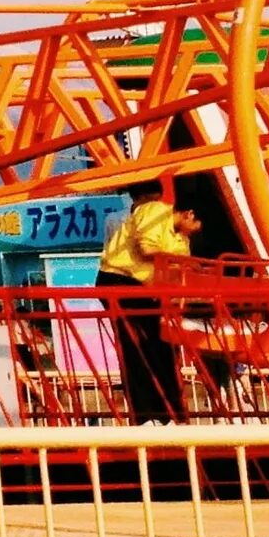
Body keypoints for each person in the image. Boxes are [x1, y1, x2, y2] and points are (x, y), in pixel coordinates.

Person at [97, 176, 200, 422]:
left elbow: (172, 270)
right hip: (121, 281)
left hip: (142, 288)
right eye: (199, 224)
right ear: (189, 214)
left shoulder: (180, 238)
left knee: (159, 347)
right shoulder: (154, 212)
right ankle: (146, 415)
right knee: (138, 349)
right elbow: (147, 249)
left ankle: (166, 413)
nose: (198, 231)